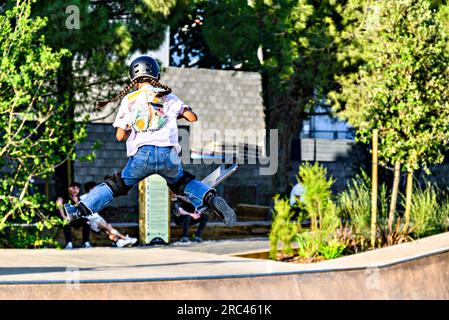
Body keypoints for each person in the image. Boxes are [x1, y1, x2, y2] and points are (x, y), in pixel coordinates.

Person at [63, 55, 236, 227]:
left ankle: (80, 210)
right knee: (183, 182)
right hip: (168, 155)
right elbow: (192, 118)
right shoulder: (167, 96)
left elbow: (119, 136)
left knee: (116, 184)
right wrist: (181, 110)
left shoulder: (129, 100)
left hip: (141, 157)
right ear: (157, 76)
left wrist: (135, 128)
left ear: (133, 79)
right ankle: (211, 199)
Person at [81, 181, 137, 248]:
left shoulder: (93, 197)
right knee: (108, 227)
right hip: (93, 220)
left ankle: (118, 241)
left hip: (97, 217)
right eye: (94, 188)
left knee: (107, 231)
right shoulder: (84, 197)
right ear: (90, 189)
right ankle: (125, 238)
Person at [56, 181, 91, 249]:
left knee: (87, 221)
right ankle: (69, 242)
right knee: (66, 222)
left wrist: (76, 202)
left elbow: (82, 211)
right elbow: (59, 205)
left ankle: (85, 242)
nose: (75, 190)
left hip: (75, 219)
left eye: (77, 189)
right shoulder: (63, 196)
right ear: (69, 188)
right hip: (65, 218)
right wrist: (64, 216)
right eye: (73, 188)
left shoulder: (79, 198)